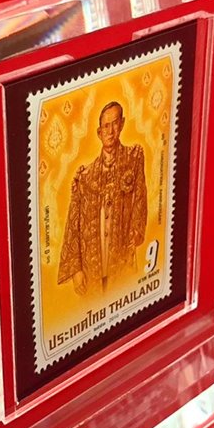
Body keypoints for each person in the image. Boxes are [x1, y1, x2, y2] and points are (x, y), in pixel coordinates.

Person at [57, 101, 147, 295]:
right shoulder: (85, 176)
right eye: (106, 126)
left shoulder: (133, 158)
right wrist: (76, 270)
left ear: (122, 124)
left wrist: (134, 238)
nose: (111, 131)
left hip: (122, 264)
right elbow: (73, 225)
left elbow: (140, 198)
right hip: (92, 270)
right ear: (99, 133)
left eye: (115, 124)